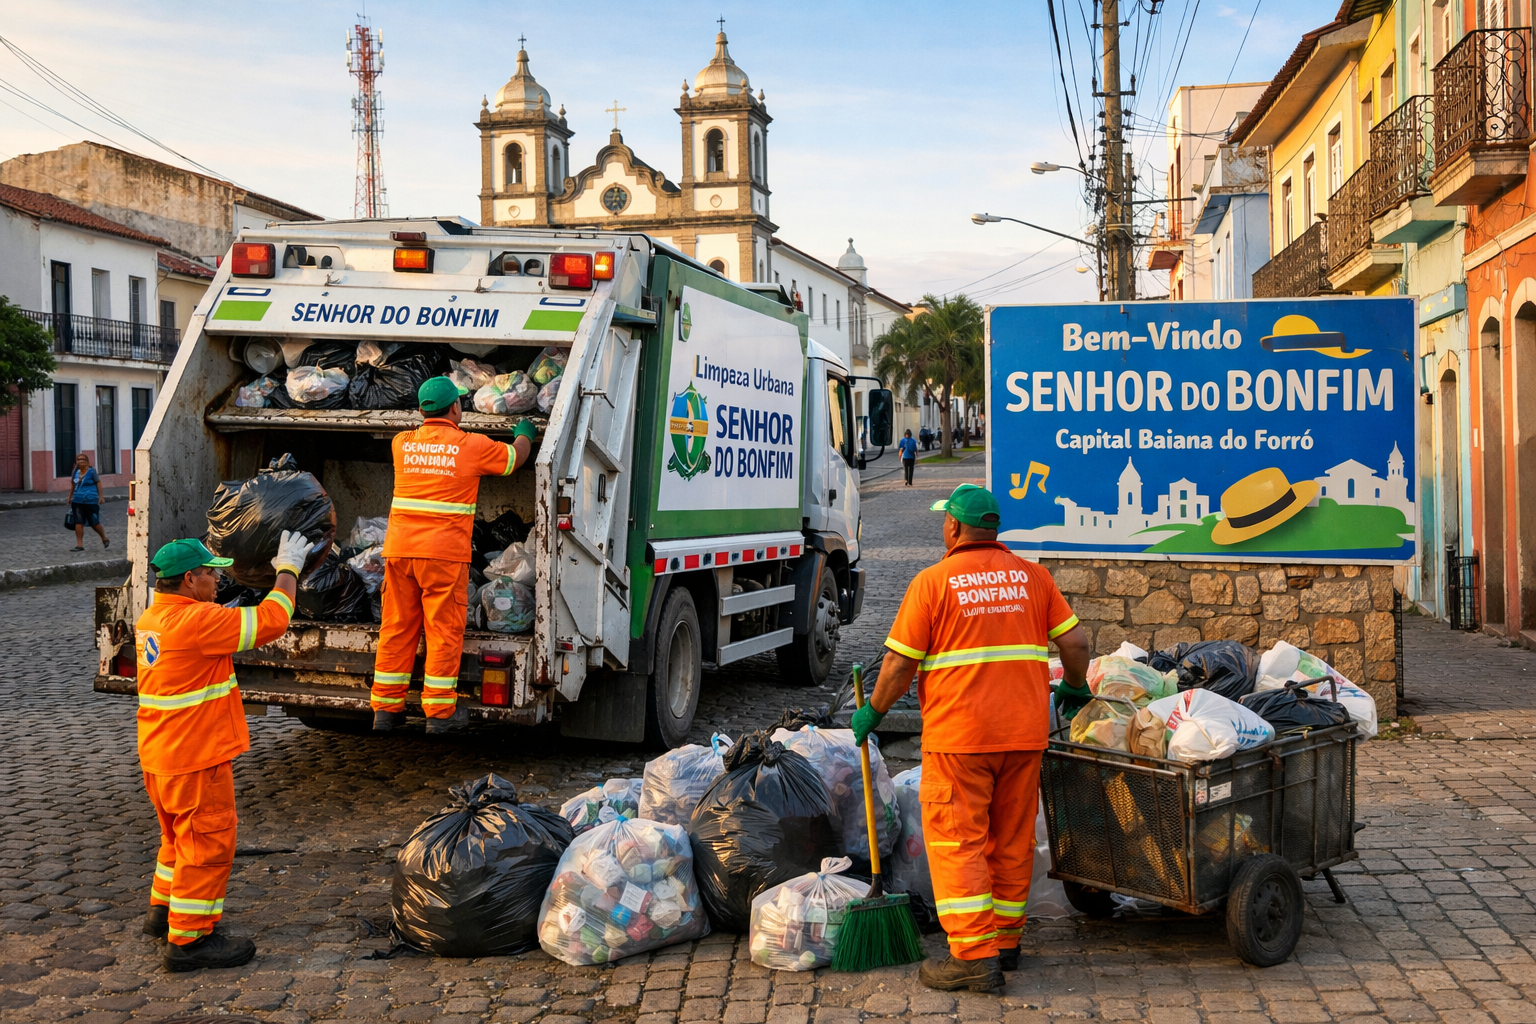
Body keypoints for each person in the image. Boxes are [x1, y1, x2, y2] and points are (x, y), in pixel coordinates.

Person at [852, 483, 1091, 992]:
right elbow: (1075, 640)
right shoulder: (1034, 578)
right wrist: (1073, 686)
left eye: (945, 520)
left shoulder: (933, 583)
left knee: (958, 843)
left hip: (961, 739)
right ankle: (1006, 944)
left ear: (955, 528)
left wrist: (873, 712)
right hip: (1024, 736)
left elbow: (897, 664)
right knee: (1010, 840)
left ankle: (973, 958)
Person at [136, 531, 308, 971]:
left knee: (175, 839)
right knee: (207, 844)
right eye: (212, 573)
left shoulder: (153, 619)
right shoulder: (197, 624)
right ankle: (189, 941)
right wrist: (288, 568)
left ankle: (162, 914)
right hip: (197, 757)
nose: (218, 581)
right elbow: (273, 619)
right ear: (190, 579)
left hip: (161, 755)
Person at [371, 376, 537, 734]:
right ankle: (439, 713)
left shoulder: (402, 443)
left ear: (420, 410)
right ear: (456, 408)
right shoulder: (471, 446)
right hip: (443, 556)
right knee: (443, 630)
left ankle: (385, 709)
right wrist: (525, 433)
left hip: (399, 551)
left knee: (397, 627)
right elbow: (514, 460)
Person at [69, 452, 109, 551]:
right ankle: (79, 545)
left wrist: (101, 496)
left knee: (94, 522)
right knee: (78, 522)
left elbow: (98, 483)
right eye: (79, 459)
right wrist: (70, 496)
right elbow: (73, 484)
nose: (81, 461)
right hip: (78, 500)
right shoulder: (76, 472)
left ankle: (104, 538)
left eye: (83, 459)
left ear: (87, 462)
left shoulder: (91, 472)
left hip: (91, 500)